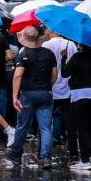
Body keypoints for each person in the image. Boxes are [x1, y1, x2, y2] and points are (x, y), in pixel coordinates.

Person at [7, 26, 57, 169]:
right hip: (45, 94)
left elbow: (17, 76)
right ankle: (46, 157)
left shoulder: (24, 54)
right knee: (46, 127)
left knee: (23, 125)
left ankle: (16, 153)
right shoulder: (49, 54)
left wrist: (14, 96)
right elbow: (55, 75)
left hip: (28, 94)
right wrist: (47, 86)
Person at [62, 43, 91, 171]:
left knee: (81, 127)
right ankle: (86, 158)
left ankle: (89, 156)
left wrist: (63, 58)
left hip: (79, 95)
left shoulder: (76, 57)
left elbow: (65, 73)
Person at [42, 28, 78, 162]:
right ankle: (73, 154)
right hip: (68, 90)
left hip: (50, 88)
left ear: (50, 30)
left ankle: (44, 154)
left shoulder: (45, 46)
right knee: (70, 124)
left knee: (45, 124)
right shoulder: (71, 45)